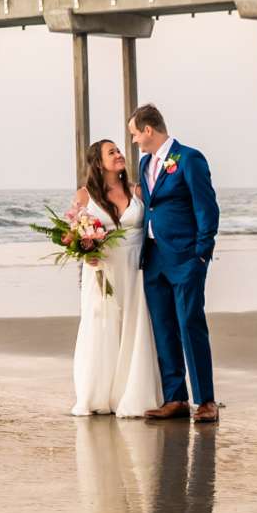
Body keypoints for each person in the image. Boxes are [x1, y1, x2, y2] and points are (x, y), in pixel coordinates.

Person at [128, 104, 221, 423]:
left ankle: (206, 400)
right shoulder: (144, 164)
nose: (135, 140)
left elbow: (207, 207)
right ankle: (175, 398)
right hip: (153, 256)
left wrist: (201, 252)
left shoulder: (189, 158)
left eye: (135, 134)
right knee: (163, 327)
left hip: (185, 257)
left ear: (149, 130)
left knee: (189, 323)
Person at [66, 139, 163, 417]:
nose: (120, 155)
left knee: (135, 323)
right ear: (98, 162)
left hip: (135, 268)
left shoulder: (137, 191)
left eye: (119, 150)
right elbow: (74, 234)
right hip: (102, 269)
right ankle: (97, 394)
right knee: (102, 324)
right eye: (113, 152)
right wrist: (85, 253)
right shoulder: (84, 196)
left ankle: (131, 393)